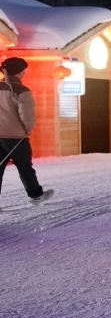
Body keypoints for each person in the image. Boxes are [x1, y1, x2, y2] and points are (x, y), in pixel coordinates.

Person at [0, 57, 54, 206]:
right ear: (20, 71)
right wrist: (28, 130)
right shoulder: (21, 91)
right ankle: (36, 195)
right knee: (24, 167)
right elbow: (27, 115)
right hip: (17, 137)